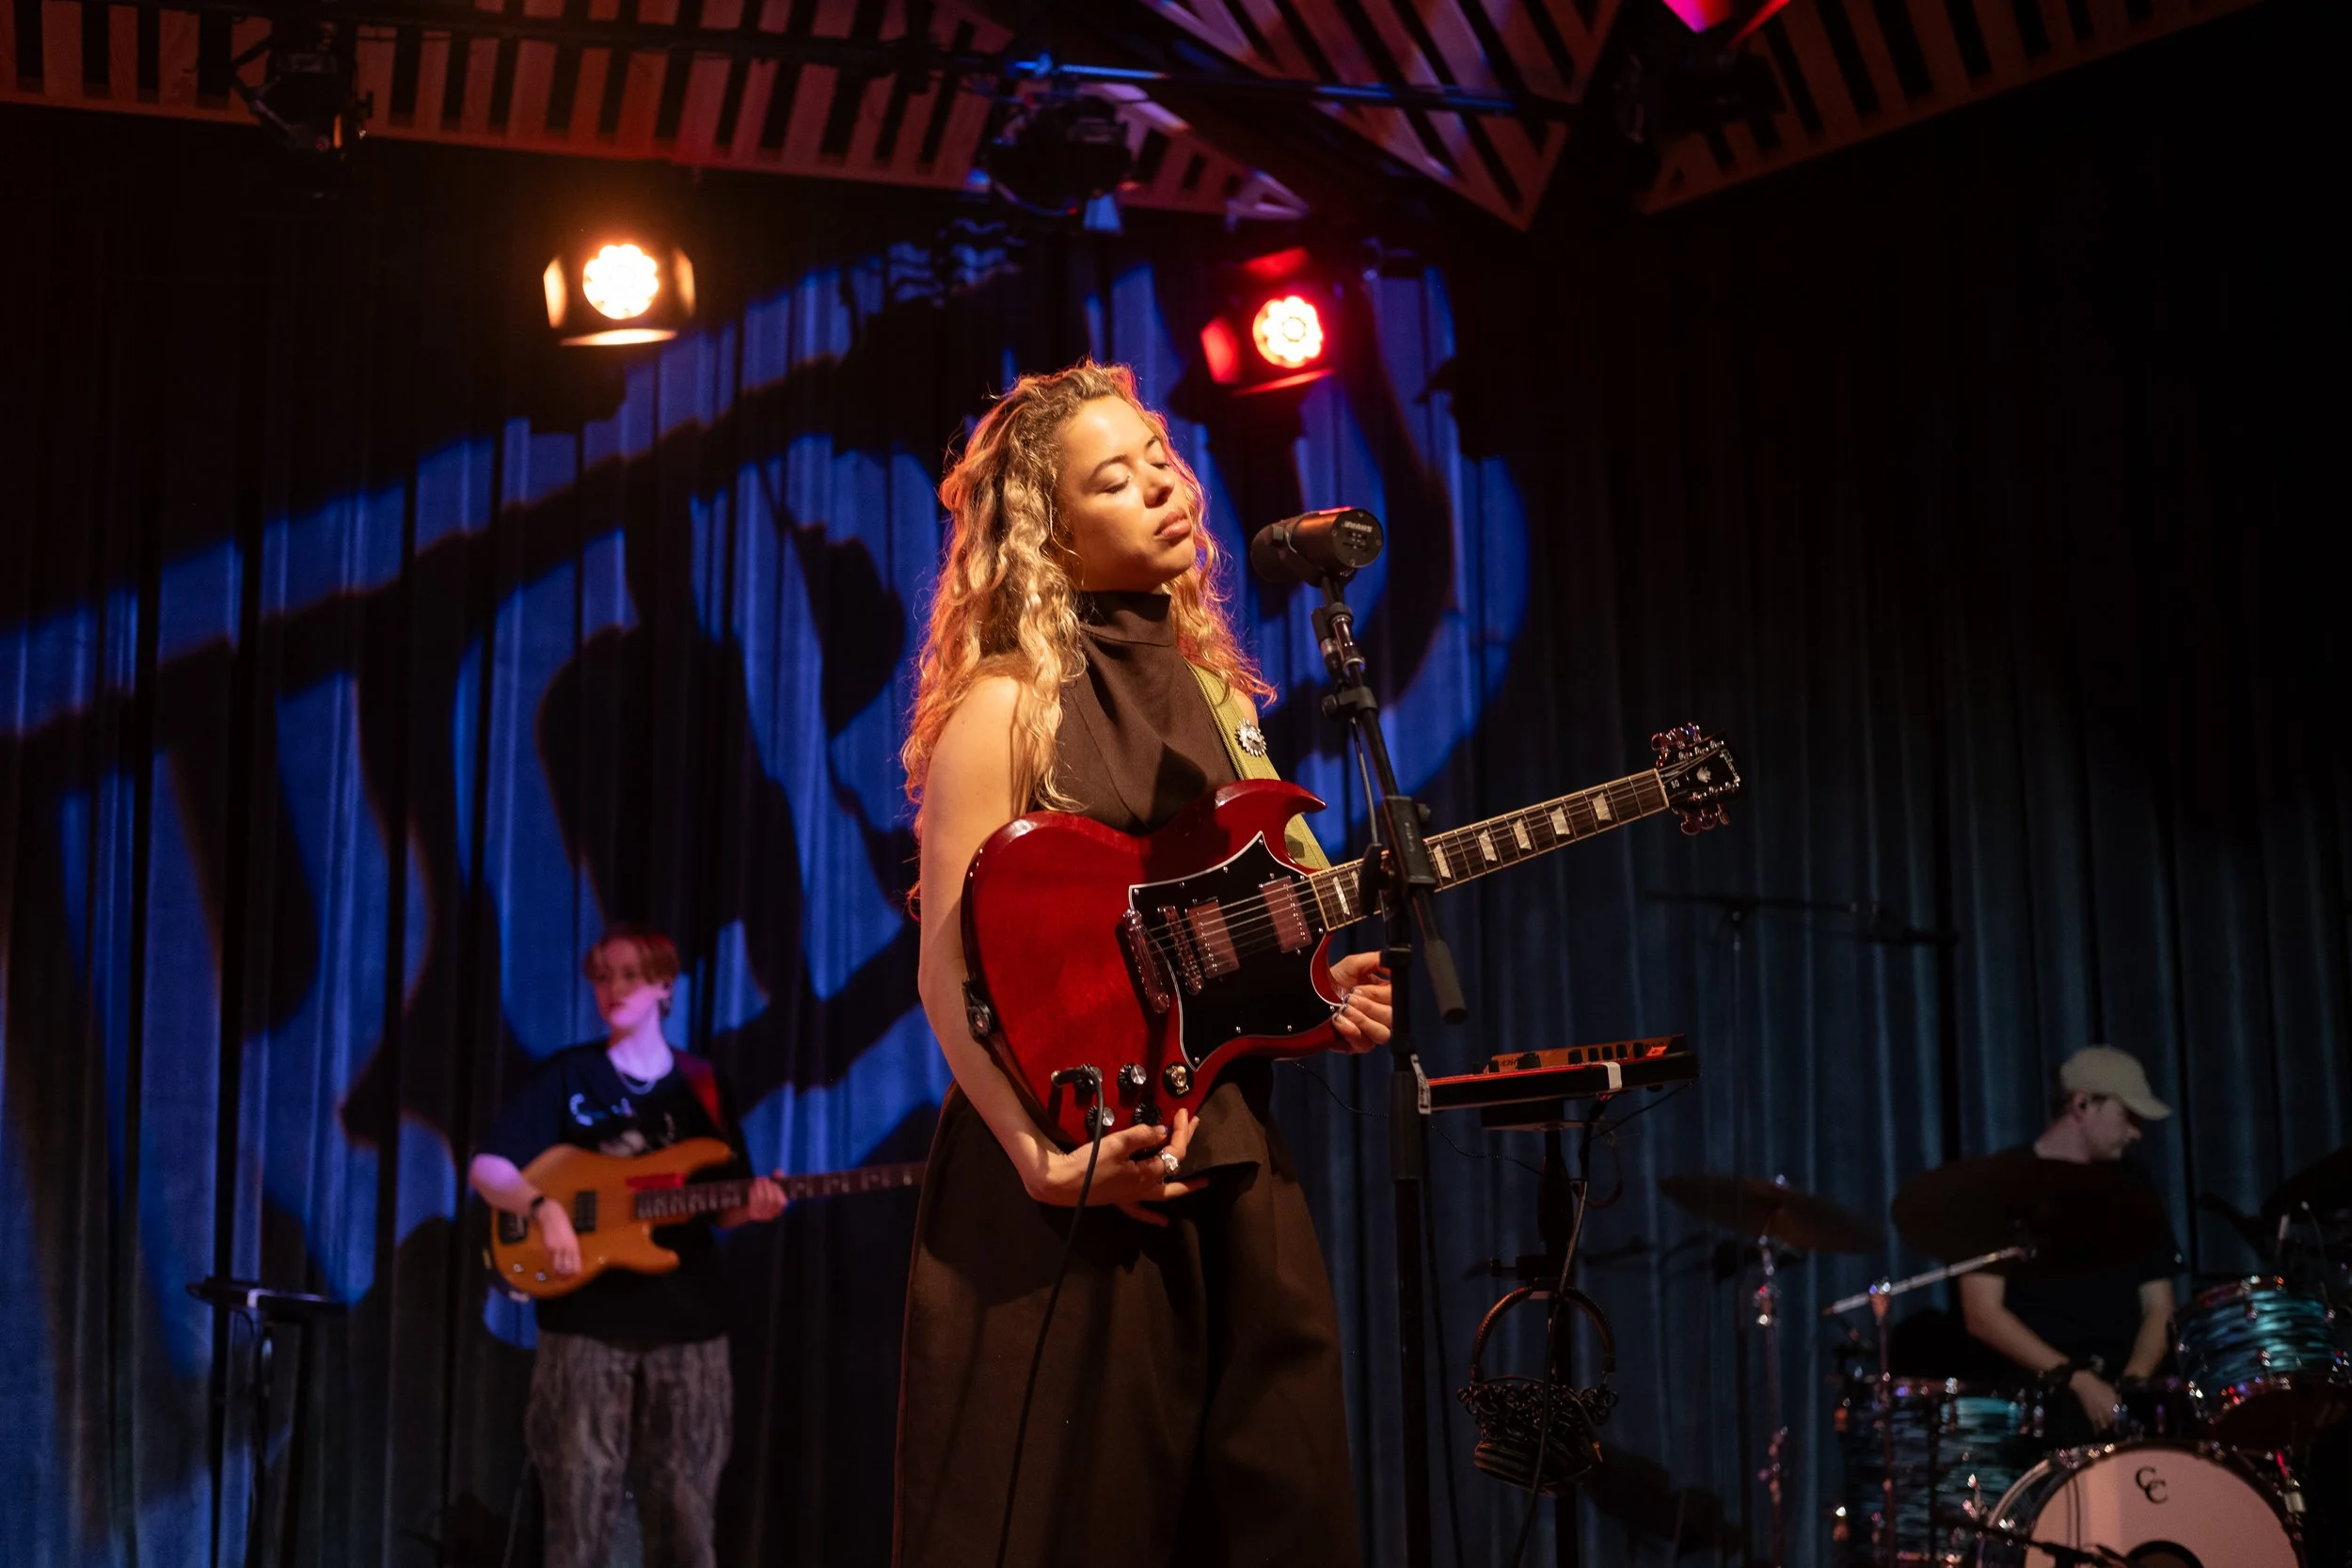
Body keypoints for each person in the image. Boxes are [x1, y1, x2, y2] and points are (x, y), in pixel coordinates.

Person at [892, 360, 1393, 1566]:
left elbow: (1236, 937)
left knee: (1277, 1513)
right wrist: (1041, 1161)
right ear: (1049, 534)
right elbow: (947, 977)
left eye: (1159, 458)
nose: (1162, 486)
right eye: (1112, 480)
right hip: (1070, 1166)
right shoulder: (1005, 707)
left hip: (1229, 1149)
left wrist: (1322, 999)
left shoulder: (1224, 697)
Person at [467, 923, 787, 1568]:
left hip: (690, 1328)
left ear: (664, 986)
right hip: (585, 1328)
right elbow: (488, 1168)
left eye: (631, 976)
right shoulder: (569, 1075)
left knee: (685, 1526)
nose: (613, 988)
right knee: (577, 1524)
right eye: (603, 976)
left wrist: (753, 1207)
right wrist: (543, 1210)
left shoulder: (703, 1085)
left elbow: (723, 1204)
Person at [1958, 1045, 2182, 1442]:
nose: (2136, 1133)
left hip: (2121, 1398)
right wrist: (2076, 1379)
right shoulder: (2002, 1182)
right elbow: (1982, 1312)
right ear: (2082, 1105)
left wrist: (2130, 1385)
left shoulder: (2135, 1184)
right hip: (2033, 1406)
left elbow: (2159, 1307)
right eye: (2127, 1116)